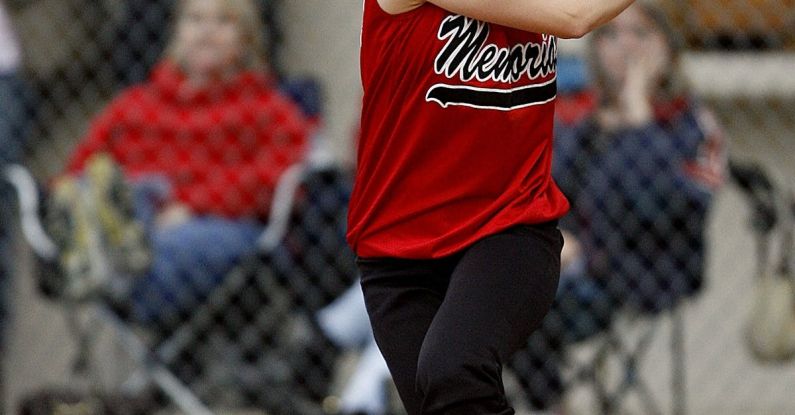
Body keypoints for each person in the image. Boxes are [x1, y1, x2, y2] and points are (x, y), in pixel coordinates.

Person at [346, 0, 637, 414]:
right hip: (397, 248)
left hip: (509, 228)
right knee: (441, 402)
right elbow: (575, 17)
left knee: (455, 371)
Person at [508, 2, 727, 411]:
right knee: (488, 284)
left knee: (510, 298)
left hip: (645, 276)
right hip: (565, 274)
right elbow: (544, 193)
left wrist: (638, 113)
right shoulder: (584, 121)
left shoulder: (690, 124)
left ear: (669, 48)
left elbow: (661, 208)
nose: (625, 45)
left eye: (640, 34)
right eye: (610, 35)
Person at [54, 0, 310, 324]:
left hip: (221, 225)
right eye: (195, 19)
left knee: (168, 245)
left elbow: (276, 180)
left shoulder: (269, 109)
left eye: (223, 21)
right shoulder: (132, 106)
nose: (206, 31)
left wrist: (191, 205)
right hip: (143, 216)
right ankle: (112, 247)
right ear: (176, 32)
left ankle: (111, 267)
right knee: (108, 189)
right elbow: (76, 172)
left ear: (247, 39)